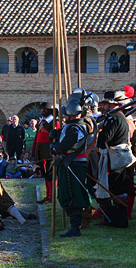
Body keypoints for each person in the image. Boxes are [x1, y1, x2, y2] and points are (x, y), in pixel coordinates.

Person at [49, 94, 90, 237]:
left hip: (73, 164)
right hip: (70, 164)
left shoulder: (75, 129)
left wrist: (53, 143)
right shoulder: (72, 127)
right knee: (67, 194)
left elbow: (60, 149)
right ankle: (75, 225)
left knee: (72, 195)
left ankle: (75, 227)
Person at [96, 91, 131, 226]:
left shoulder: (114, 118)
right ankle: (117, 217)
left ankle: (119, 218)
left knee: (116, 187)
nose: (103, 107)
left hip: (116, 155)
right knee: (117, 186)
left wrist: (100, 137)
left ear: (111, 105)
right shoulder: (118, 117)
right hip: (117, 154)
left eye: (105, 104)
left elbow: (106, 137)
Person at [34, 102, 59, 204]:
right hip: (41, 152)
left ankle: (52, 196)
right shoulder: (41, 122)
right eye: (42, 108)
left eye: (45, 109)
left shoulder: (54, 122)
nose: (43, 110)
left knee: (51, 175)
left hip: (49, 152)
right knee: (45, 175)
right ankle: (48, 196)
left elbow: (56, 136)